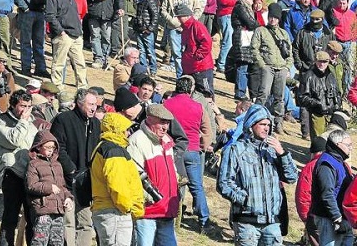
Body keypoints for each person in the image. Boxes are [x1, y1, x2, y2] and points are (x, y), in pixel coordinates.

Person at [217, 104, 298, 245]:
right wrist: (245, 199)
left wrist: (282, 153)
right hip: (246, 222)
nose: (266, 128)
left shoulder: (273, 151)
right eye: (262, 124)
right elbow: (223, 183)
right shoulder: (235, 149)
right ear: (251, 125)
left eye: (268, 125)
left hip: (272, 222)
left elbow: (292, 177)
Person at [0, 90, 43, 245]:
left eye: (29, 106)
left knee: (32, 217)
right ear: (13, 105)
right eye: (22, 106)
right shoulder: (0, 120)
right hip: (11, 172)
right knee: (10, 217)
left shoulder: (31, 122)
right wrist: (23, 122)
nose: (26, 110)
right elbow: (14, 139)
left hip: (29, 173)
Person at [50, 88, 101, 246]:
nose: (94, 108)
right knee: (69, 222)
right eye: (90, 104)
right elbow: (58, 147)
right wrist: (71, 169)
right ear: (79, 103)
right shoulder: (63, 119)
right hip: (67, 180)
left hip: (87, 182)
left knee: (85, 223)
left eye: (96, 105)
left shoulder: (96, 123)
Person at [163, 76, 212, 231]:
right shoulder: (198, 107)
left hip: (172, 149)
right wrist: (202, 146)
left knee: (173, 184)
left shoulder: (166, 104)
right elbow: (207, 131)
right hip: (192, 149)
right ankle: (204, 219)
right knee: (196, 186)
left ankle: (175, 215)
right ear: (191, 89)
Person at [127, 104, 179, 245]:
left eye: (167, 123)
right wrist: (150, 198)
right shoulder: (136, 140)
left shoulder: (167, 140)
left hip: (167, 209)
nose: (165, 127)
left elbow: (172, 171)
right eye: (161, 122)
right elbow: (133, 176)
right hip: (147, 212)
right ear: (149, 119)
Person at [91, 113, 144, 246]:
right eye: (125, 129)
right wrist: (127, 207)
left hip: (106, 208)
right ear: (117, 130)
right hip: (115, 211)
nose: (127, 133)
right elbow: (117, 185)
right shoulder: (113, 151)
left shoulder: (103, 146)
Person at [26, 130, 74, 246]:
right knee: (40, 240)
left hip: (58, 210)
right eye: (47, 147)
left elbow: (62, 186)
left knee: (57, 241)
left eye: (52, 147)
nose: (50, 150)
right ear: (38, 147)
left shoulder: (58, 165)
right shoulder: (33, 164)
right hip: (43, 210)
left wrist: (68, 198)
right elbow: (31, 186)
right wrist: (49, 187)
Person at [251, 3, 293, 134]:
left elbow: (289, 53)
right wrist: (262, 65)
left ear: (279, 19)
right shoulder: (261, 31)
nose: (272, 20)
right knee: (263, 93)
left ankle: (278, 122)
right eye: (271, 17)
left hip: (281, 68)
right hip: (267, 66)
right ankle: (256, 118)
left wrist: (287, 67)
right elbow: (254, 49)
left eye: (275, 17)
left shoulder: (284, 34)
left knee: (279, 97)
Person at [45, 0, 88, 90]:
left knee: (80, 64)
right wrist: (60, 32)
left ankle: (82, 87)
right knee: (59, 63)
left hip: (76, 34)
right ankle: (57, 87)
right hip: (63, 35)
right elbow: (50, 16)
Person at [311, 130, 354, 245]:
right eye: (348, 145)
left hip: (343, 218)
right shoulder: (327, 164)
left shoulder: (340, 162)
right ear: (337, 144)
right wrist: (337, 218)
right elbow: (327, 193)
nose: (351, 148)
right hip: (329, 219)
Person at [160, 0, 201, 78]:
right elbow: (163, 10)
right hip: (173, 27)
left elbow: (198, 8)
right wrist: (172, 21)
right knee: (177, 54)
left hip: (189, 28)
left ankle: (189, 76)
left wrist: (192, 21)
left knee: (188, 53)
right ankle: (180, 77)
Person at [14, 0, 49, 78]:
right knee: (26, 42)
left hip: (40, 13)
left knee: (39, 42)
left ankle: (41, 68)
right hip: (27, 13)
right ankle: (26, 67)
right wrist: (25, 8)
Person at [298, 51, 342, 139]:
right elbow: (302, 97)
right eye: (320, 61)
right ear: (315, 61)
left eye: (325, 62)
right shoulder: (308, 76)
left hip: (331, 114)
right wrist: (318, 104)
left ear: (328, 62)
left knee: (332, 141)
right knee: (319, 142)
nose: (322, 64)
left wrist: (337, 105)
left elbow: (337, 92)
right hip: (317, 114)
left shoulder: (331, 75)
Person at [175, 4, 215, 98]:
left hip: (201, 68)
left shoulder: (196, 26)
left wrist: (198, 55)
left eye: (179, 17)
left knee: (206, 93)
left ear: (186, 16)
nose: (178, 19)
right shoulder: (185, 28)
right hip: (190, 67)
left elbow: (207, 42)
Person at [295, 136, 326, 246]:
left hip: (315, 216)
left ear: (313, 152)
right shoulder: (340, 163)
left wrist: (305, 217)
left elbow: (303, 194)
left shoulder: (310, 167)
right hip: (337, 216)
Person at [230, 0, 260, 100]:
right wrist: (260, 27)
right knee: (242, 64)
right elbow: (250, 22)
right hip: (242, 36)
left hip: (244, 35)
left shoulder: (242, 7)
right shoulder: (241, 7)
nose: (252, 2)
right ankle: (240, 92)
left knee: (246, 64)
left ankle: (243, 91)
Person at [215, 0, 242, 73]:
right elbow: (223, 0)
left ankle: (223, 63)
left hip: (229, 13)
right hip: (225, 13)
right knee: (228, 39)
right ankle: (221, 64)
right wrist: (235, 1)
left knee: (228, 39)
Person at [133, 0, 159, 76]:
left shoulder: (150, 1)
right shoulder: (139, 0)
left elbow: (155, 16)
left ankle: (153, 69)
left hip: (147, 30)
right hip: (139, 29)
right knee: (141, 50)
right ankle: (143, 69)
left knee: (150, 51)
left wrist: (150, 28)